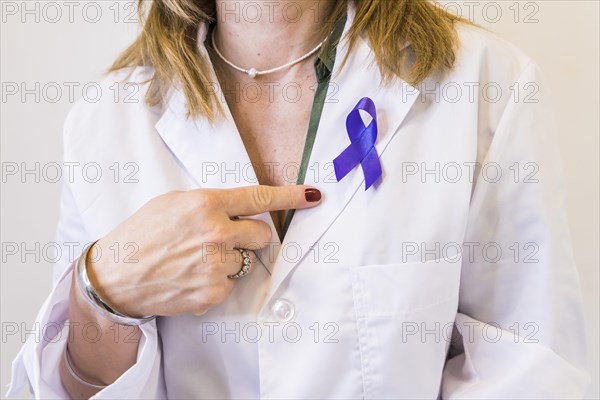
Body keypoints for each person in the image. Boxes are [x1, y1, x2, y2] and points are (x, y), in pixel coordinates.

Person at [7, 0, 590, 398]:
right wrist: (104, 291)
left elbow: (530, 371)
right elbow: (70, 388)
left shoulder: (486, 84)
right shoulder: (106, 120)